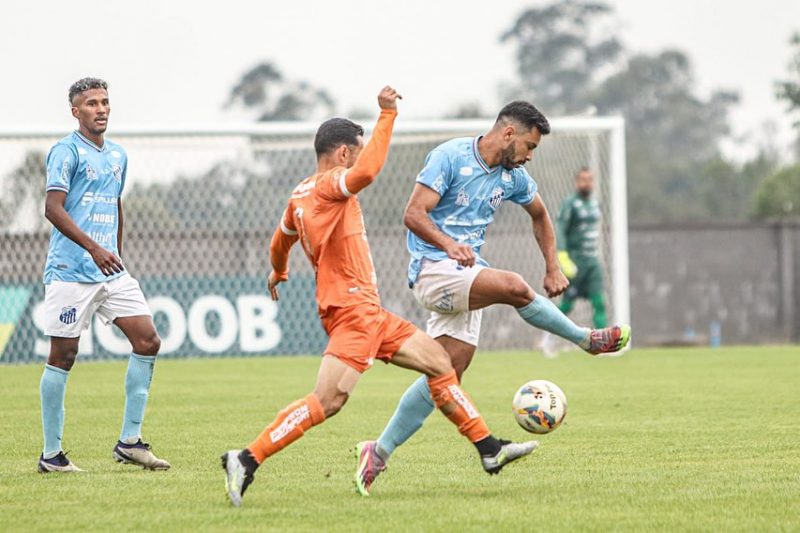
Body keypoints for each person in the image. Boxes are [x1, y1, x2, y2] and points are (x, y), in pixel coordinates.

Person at [220, 87, 537, 507]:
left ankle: (488, 448)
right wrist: (387, 115)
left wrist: (278, 271)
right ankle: (246, 458)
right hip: (353, 314)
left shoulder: (298, 196)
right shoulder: (332, 184)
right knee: (328, 401)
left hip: (365, 312)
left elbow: (281, 241)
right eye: (359, 148)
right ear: (343, 155)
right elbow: (368, 173)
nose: (362, 155)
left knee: (440, 365)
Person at [354, 101, 631, 495]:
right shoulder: (450, 156)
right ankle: (585, 339)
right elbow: (413, 213)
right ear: (508, 134)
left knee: (445, 378)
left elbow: (540, 215)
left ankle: (377, 452)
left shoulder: (511, 176)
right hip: (434, 270)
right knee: (516, 287)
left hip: (466, 273)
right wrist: (449, 245)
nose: (530, 156)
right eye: (529, 146)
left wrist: (552, 266)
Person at [38, 77, 169, 473]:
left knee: (147, 340)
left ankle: (130, 442)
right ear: (76, 111)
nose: (101, 109)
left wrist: (116, 253)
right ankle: (52, 455)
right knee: (64, 355)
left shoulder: (117, 156)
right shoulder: (65, 152)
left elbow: (115, 205)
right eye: (92, 103)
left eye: (105, 102)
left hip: (111, 273)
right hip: (70, 272)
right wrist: (93, 248)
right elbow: (53, 208)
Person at [540, 167, 607, 357]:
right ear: (577, 182)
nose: (587, 183)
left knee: (599, 301)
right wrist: (562, 255)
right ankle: (548, 337)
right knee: (567, 305)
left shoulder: (595, 204)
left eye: (590, 180)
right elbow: (560, 228)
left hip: (592, 263)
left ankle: (603, 345)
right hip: (575, 263)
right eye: (583, 180)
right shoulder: (571, 204)